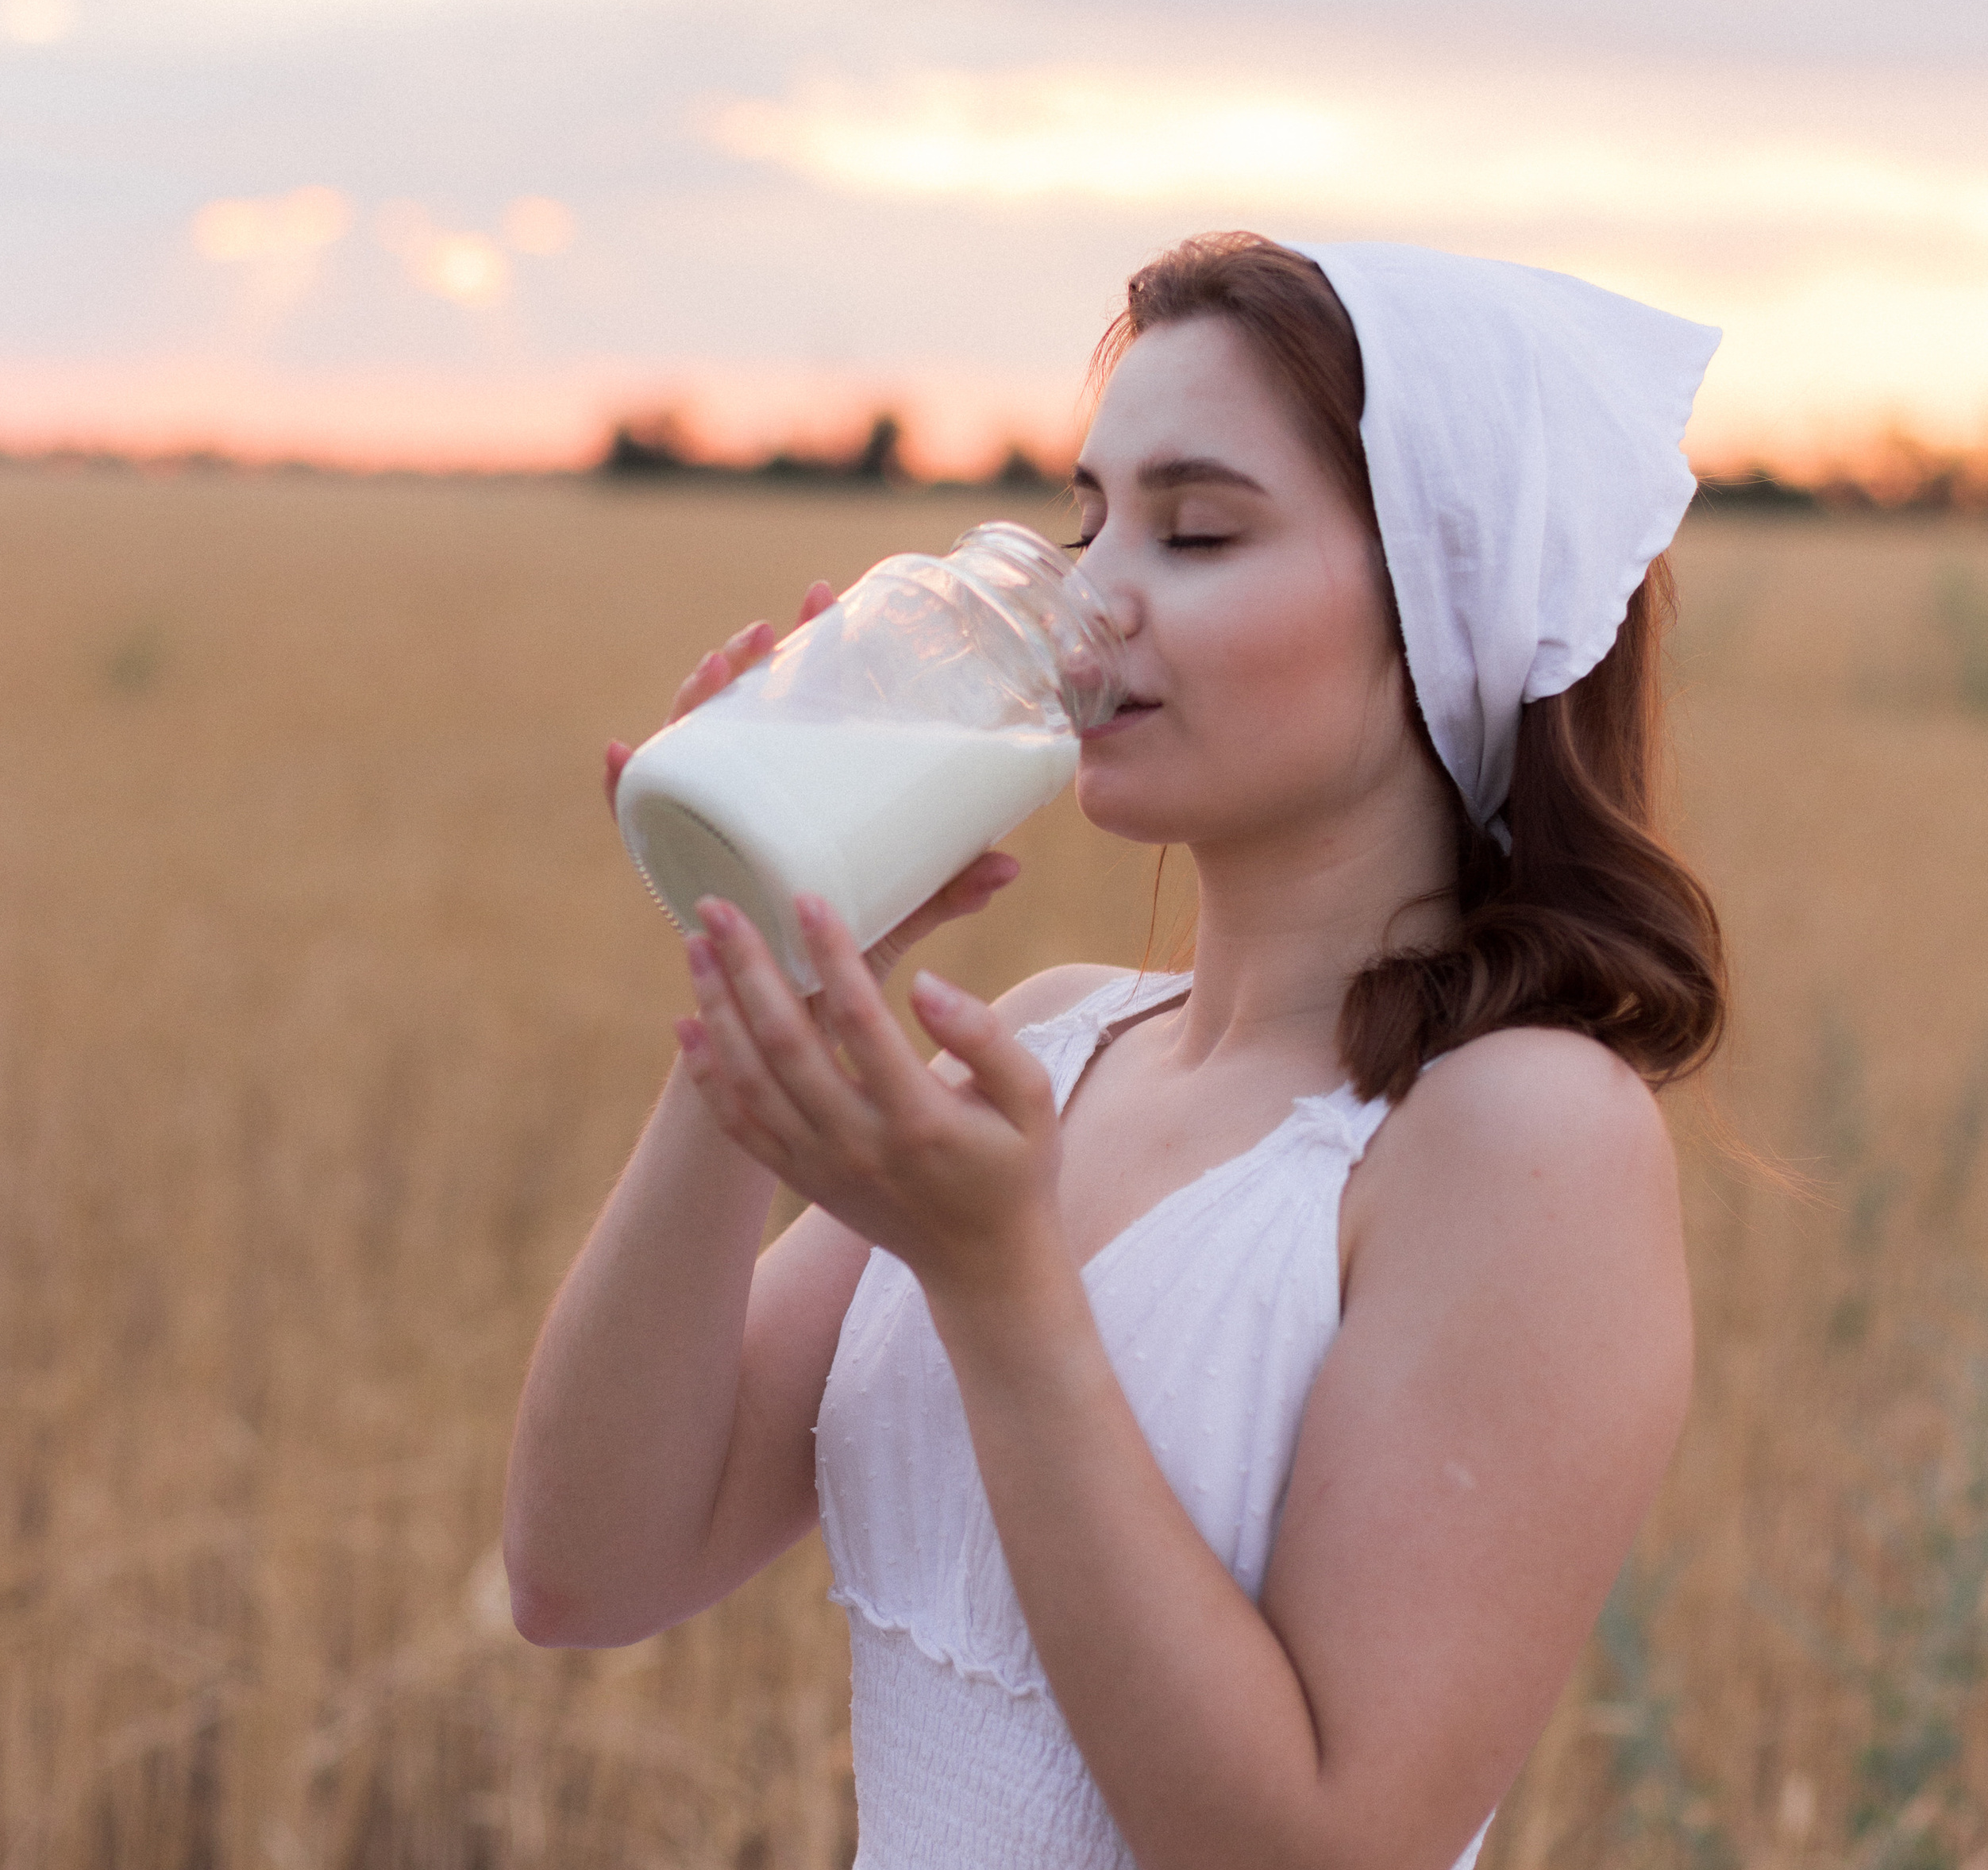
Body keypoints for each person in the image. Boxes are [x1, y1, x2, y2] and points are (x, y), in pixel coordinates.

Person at [503, 233, 1728, 1870]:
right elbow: (588, 1568)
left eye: (1196, 528)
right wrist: (769, 984)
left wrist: (1004, 1294)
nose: (1086, 596)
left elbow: (1323, 1846)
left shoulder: (1519, 1130)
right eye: (1092, 517)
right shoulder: (1047, 1044)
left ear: (1447, 597)